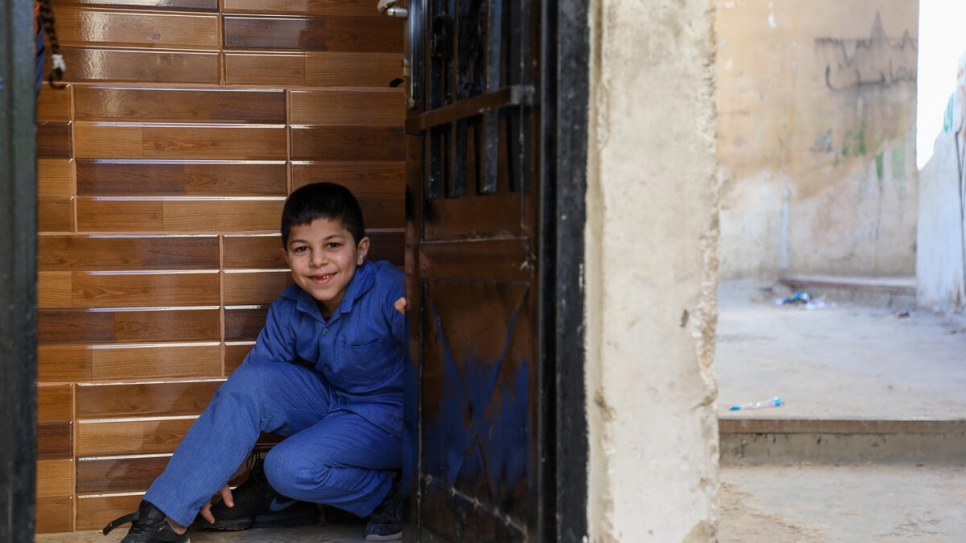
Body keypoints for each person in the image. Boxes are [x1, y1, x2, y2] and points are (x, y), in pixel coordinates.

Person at [103, 182, 407, 543]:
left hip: (392, 419)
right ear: (286, 257)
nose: (317, 261)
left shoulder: (391, 288)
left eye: (333, 245)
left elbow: (442, 355)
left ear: (361, 251)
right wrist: (210, 474)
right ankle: (166, 519)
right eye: (301, 249)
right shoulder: (289, 308)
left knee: (287, 468)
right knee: (249, 381)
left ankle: (393, 493)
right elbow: (249, 394)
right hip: (333, 406)